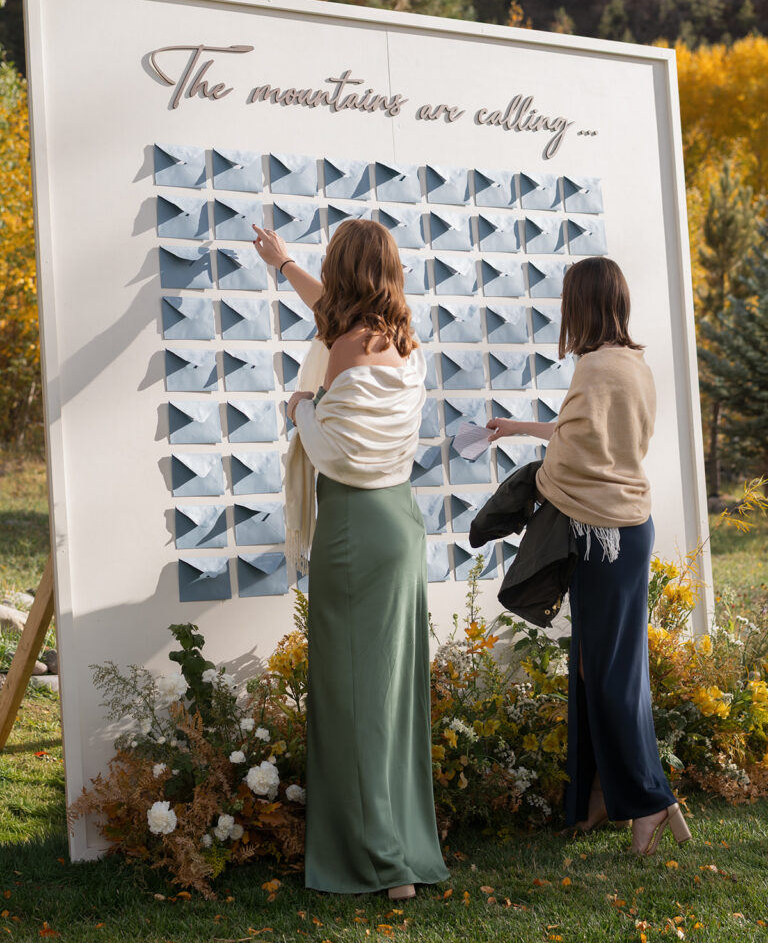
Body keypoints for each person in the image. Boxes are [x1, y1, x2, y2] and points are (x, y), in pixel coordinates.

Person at [252, 219, 448, 896]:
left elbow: (331, 449)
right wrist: (283, 264)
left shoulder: (340, 350)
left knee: (353, 695)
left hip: (353, 528)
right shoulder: (403, 343)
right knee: (391, 695)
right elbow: (330, 312)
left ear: (344, 273)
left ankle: (383, 862)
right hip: (401, 525)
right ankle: (399, 839)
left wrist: (300, 409)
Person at [486, 256, 692, 856]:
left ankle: (649, 802)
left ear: (582, 304)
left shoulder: (596, 366)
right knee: (601, 668)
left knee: (607, 673)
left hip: (604, 536)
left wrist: (532, 484)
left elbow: (577, 456)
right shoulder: (631, 362)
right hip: (627, 528)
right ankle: (605, 795)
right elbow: (591, 436)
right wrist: (523, 428)